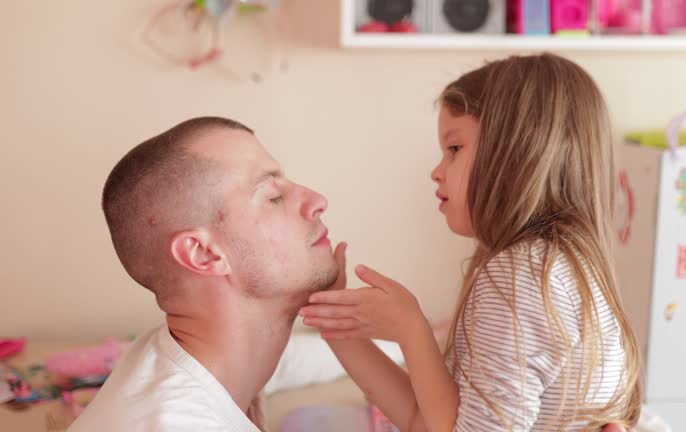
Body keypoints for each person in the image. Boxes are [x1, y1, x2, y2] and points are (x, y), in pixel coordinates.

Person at [300, 53, 642, 431]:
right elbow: (426, 418)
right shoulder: (555, 268)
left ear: (517, 152)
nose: (436, 170)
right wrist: (335, 325)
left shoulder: (522, 278)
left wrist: (412, 329)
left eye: (455, 149)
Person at [70, 117, 339, 432]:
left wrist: (400, 341)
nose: (317, 201)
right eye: (272, 197)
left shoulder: (215, 362)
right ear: (203, 253)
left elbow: (291, 363)